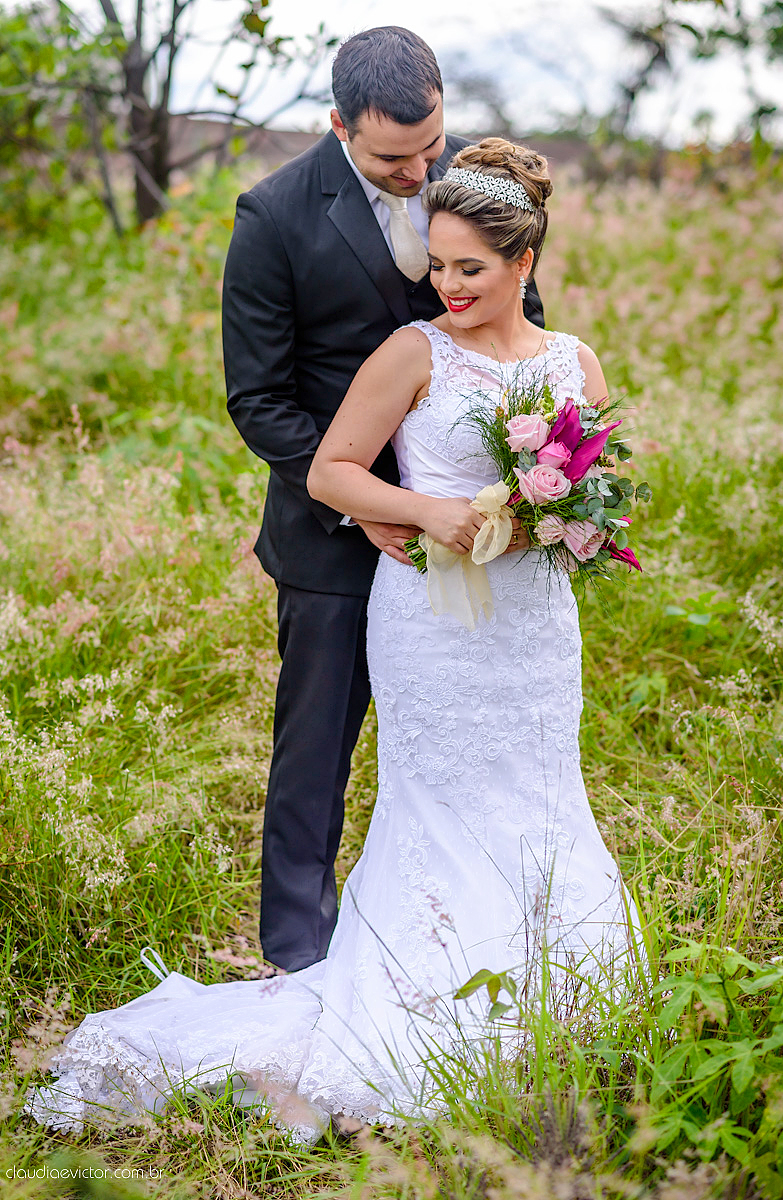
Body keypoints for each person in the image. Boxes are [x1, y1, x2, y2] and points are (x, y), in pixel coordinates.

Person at [23, 138, 640, 1145]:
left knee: (540, 791)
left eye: (468, 269)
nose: (445, 285)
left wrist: (572, 518)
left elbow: (599, 490)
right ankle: (423, 1001)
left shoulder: (574, 359)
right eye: (435, 265)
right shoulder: (413, 351)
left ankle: (555, 1002)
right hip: (433, 621)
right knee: (438, 802)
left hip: (533, 628)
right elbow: (333, 472)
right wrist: (429, 511)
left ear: (524, 262)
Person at [222, 26, 545, 973]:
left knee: (465, 743)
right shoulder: (274, 215)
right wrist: (363, 502)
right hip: (330, 534)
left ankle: (464, 939)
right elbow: (257, 396)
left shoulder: (471, 183)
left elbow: (515, 329)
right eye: (392, 158)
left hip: (473, 531)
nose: (418, 169)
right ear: (337, 127)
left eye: (430, 143)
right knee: (316, 750)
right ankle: (298, 958)